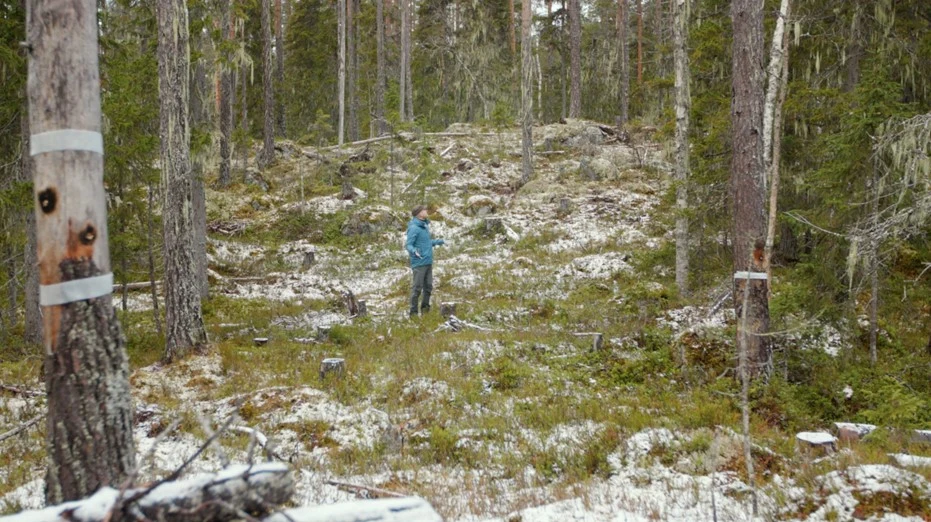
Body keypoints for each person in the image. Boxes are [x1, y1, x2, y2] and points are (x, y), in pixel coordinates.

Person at [405, 205, 445, 318]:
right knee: (417, 288)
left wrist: (439, 241)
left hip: (428, 261)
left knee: (428, 287)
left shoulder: (424, 226)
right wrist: (414, 252)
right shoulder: (414, 227)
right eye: (424, 210)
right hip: (419, 262)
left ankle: (425, 311)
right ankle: (413, 314)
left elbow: (426, 242)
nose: (426, 211)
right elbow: (408, 245)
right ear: (418, 213)